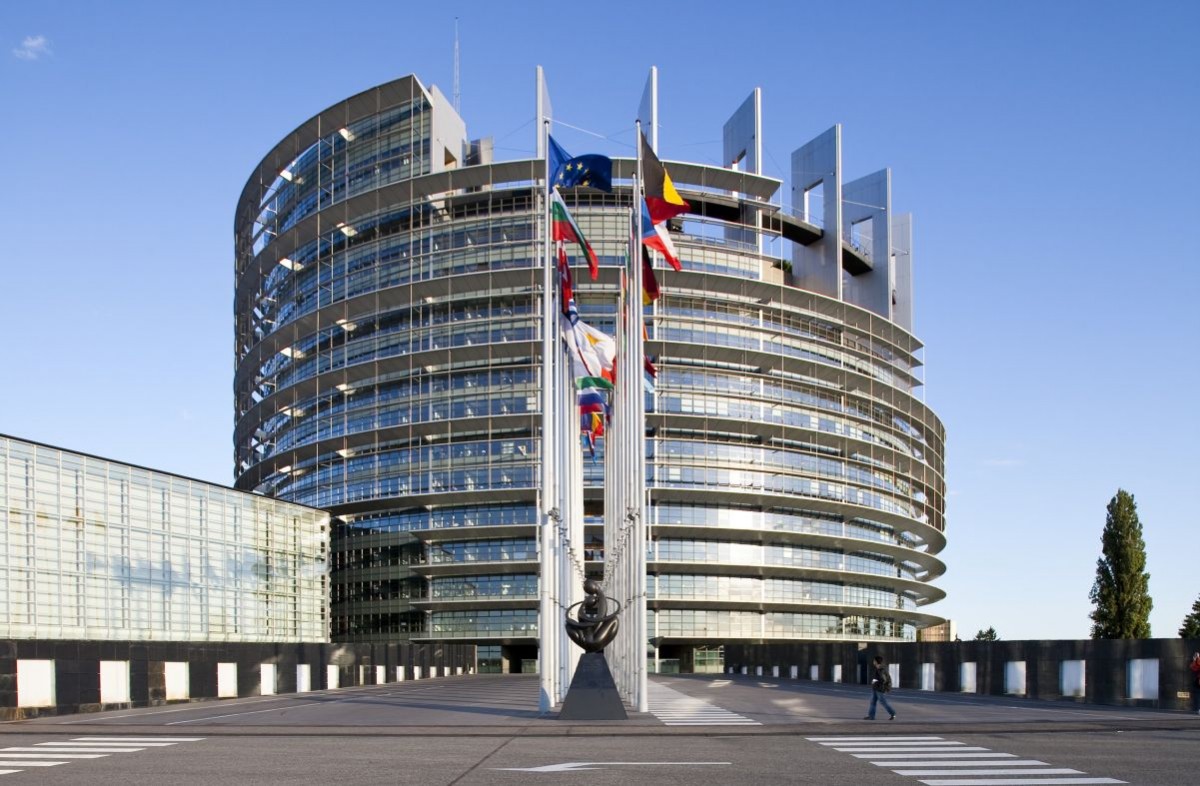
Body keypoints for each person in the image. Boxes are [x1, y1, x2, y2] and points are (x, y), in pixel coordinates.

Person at [864, 655, 896, 720]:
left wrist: (874, 681)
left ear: (876, 661)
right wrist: (874, 681)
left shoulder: (880, 670)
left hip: (879, 689)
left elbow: (883, 680)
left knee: (883, 702)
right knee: (873, 702)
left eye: (874, 660)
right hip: (876, 688)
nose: (873, 662)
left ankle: (893, 713)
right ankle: (871, 716)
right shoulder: (879, 669)